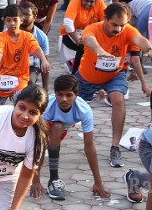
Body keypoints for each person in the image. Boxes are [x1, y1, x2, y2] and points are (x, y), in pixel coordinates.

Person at [75, 3, 152, 168]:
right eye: (114, 24)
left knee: (118, 100)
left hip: (115, 75)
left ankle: (115, 147)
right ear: (105, 19)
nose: (118, 29)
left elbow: (139, 39)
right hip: (87, 78)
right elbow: (89, 40)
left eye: (122, 25)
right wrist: (100, 51)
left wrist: (150, 49)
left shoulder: (127, 30)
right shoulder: (93, 28)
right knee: (69, 112)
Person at [37, 74, 110, 202]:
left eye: (69, 95)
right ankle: (53, 179)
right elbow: (37, 143)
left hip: (59, 128)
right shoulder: (47, 107)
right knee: (50, 133)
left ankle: (53, 180)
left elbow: (89, 146)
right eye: (60, 95)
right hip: (44, 125)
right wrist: (35, 181)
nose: (64, 99)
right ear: (55, 94)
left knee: (58, 127)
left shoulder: (84, 110)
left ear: (76, 95)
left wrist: (98, 182)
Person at [0, 4, 49, 106]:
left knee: (21, 104)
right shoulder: (1, 36)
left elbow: (36, 48)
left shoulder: (27, 37)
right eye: (8, 20)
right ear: (4, 21)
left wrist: (44, 60)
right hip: (2, 78)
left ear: (21, 20)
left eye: (15, 20)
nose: (12, 23)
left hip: (20, 79)